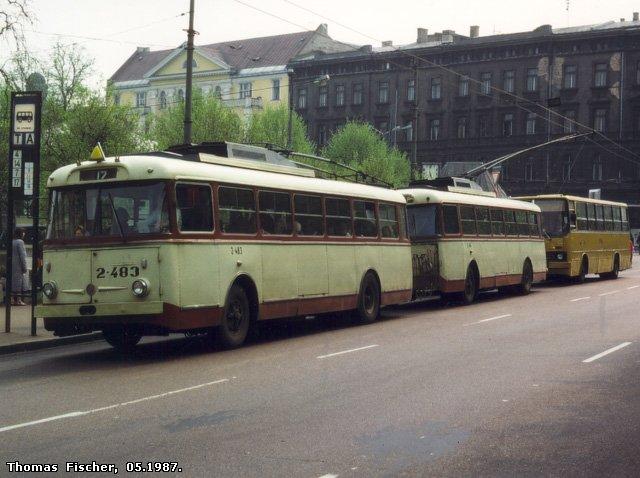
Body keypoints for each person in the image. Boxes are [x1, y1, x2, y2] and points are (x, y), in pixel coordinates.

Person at [12, 228, 28, 306]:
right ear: (21, 234)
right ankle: (19, 300)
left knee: (14, 283)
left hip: (12, 266)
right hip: (19, 266)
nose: (24, 234)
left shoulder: (12, 242)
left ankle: (15, 300)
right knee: (20, 283)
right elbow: (22, 256)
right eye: (23, 232)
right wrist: (24, 267)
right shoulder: (20, 242)